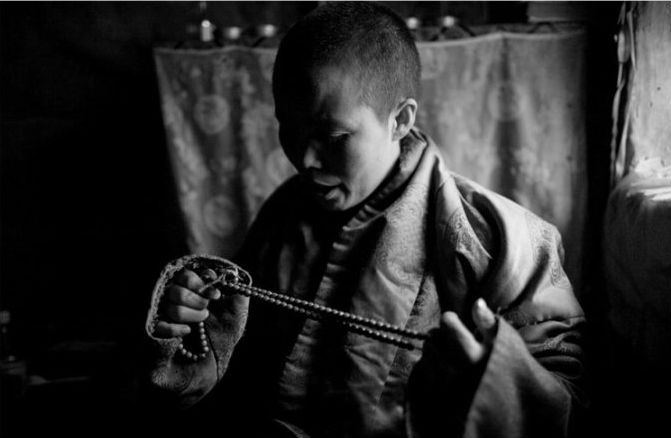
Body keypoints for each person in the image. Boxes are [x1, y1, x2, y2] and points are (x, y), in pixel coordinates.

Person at [143, 2, 587, 437]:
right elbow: (238, 371)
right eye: (289, 130)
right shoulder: (284, 210)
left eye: (333, 136)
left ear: (400, 120)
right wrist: (199, 334)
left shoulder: (503, 237)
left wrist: (495, 385)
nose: (305, 160)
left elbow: (570, 403)